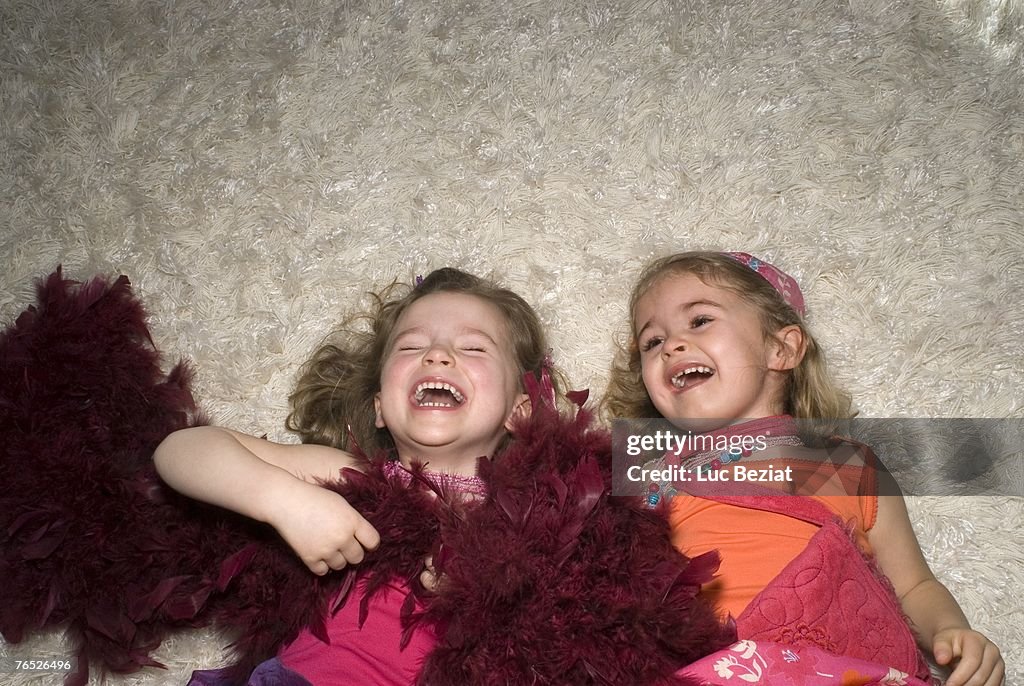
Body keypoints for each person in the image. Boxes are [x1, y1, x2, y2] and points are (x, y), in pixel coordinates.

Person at [155, 267, 732, 685]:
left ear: (521, 408)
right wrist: (282, 499)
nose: (438, 358)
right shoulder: (352, 478)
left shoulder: (553, 505)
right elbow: (182, 450)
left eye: (473, 348)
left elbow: (786, 457)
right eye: (412, 347)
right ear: (380, 405)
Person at [604, 251, 1004, 686]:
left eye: (700, 321)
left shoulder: (843, 465)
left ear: (782, 348)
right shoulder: (648, 482)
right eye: (652, 342)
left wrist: (952, 631)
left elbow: (913, 587)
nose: (672, 346)